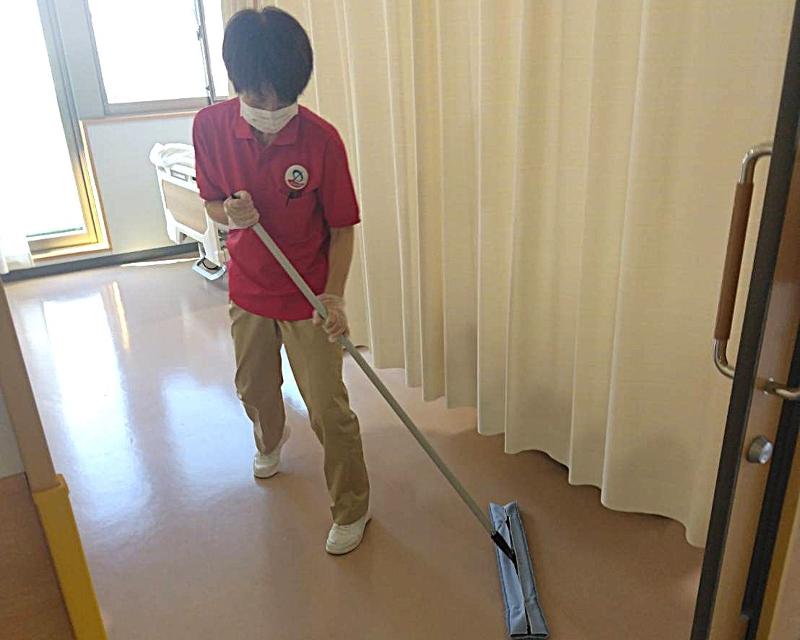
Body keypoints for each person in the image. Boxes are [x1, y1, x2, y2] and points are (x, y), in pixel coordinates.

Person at [192, 7, 370, 555]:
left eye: (282, 96)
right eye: (259, 95)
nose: (271, 109)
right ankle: (270, 437)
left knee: (329, 410)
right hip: (248, 288)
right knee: (254, 387)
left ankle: (352, 507)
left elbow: (341, 229)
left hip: (308, 296)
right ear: (238, 81)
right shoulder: (209, 128)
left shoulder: (321, 140)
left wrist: (334, 296)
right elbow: (211, 202)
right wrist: (229, 214)